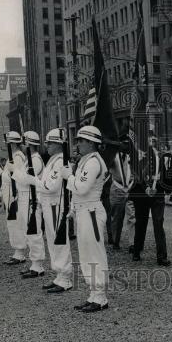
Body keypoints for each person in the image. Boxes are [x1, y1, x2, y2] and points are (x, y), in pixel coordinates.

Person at [60, 125, 111, 313]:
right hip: (83, 211)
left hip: (91, 212)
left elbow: (81, 188)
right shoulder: (85, 160)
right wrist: (72, 207)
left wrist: (69, 177)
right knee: (85, 255)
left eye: (81, 141)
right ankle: (93, 294)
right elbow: (78, 193)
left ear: (91, 143)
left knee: (95, 255)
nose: (78, 144)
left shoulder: (93, 162)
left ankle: (101, 297)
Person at [34, 128, 73, 293]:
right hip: (49, 205)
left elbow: (50, 186)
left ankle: (65, 278)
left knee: (59, 241)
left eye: (49, 142)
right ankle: (59, 274)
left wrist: (32, 180)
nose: (47, 146)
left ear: (58, 144)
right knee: (52, 240)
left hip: (56, 205)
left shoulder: (60, 161)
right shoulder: (53, 160)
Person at [131, 135, 171, 266]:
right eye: (149, 140)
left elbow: (164, 175)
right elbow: (137, 174)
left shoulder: (161, 156)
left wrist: (165, 186)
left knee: (158, 223)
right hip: (142, 194)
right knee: (141, 223)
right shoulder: (137, 156)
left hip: (158, 193)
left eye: (154, 140)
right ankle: (137, 251)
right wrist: (146, 187)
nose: (152, 143)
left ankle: (162, 256)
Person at [13, 131, 46, 278]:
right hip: (24, 197)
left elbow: (26, 179)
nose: (22, 145)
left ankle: (38, 265)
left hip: (31, 198)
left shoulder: (36, 160)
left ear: (30, 144)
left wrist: (15, 172)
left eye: (24, 143)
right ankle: (34, 263)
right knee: (28, 231)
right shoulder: (29, 159)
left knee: (34, 231)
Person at [0, 131, 28, 265]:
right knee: (12, 223)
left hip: (15, 194)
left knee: (16, 223)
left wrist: (0, 172)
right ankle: (17, 251)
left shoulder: (17, 157)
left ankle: (20, 252)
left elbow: (15, 178)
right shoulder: (13, 156)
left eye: (8, 143)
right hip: (9, 194)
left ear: (13, 143)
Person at [108, 133, 136, 251]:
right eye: (124, 143)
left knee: (132, 217)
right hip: (117, 188)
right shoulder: (113, 157)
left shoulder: (134, 156)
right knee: (117, 217)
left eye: (128, 143)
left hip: (131, 187)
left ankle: (132, 243)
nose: (126, 146)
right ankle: (115, 240)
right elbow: (106, 164)